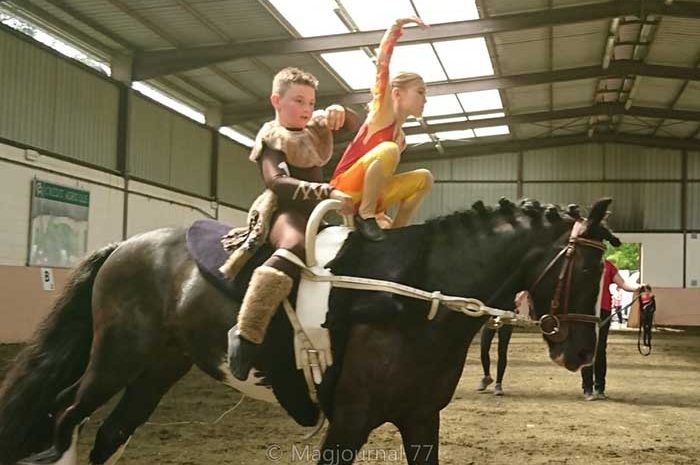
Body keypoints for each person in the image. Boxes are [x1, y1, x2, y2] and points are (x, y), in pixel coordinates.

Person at [226, 67, 357, 381]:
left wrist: (344, 114)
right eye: (299, 101)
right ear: (276, 100)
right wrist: (327, 191)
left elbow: (361, 127)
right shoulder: (272, 138)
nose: (307, 109)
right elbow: (277, 181)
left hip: (318, 214)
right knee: (295, 245)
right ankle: (247, 333)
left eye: (311, 102)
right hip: (286, 213)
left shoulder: (314, 130)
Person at [330, 16, 434, 241]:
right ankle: (365, 215)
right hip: (344, 187)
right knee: (388, 149)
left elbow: (379, 180)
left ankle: (397, 230)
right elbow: (382, 64)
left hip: (369, 197)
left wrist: (382, 213)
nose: (425, 99)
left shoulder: (402, 138)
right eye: (420, 92)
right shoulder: (380, 114)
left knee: (425, 177)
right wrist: (396, 27)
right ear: (396, 94)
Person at [581, 259, 644, 401]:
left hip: (603, 311)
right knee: (587, 348)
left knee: (600, 349)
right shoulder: (582, 264)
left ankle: (600, 388)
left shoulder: (608, 266)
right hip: (585, 310)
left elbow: (623, 284)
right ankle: (588, 388)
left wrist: (639, 287)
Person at [476, 291, 527, 396]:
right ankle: (487, 376)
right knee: (484, 348)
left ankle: (498, 384)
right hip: (490, 314)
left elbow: (526, 287)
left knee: (502, 350)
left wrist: (520, 298)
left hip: (506, 314)